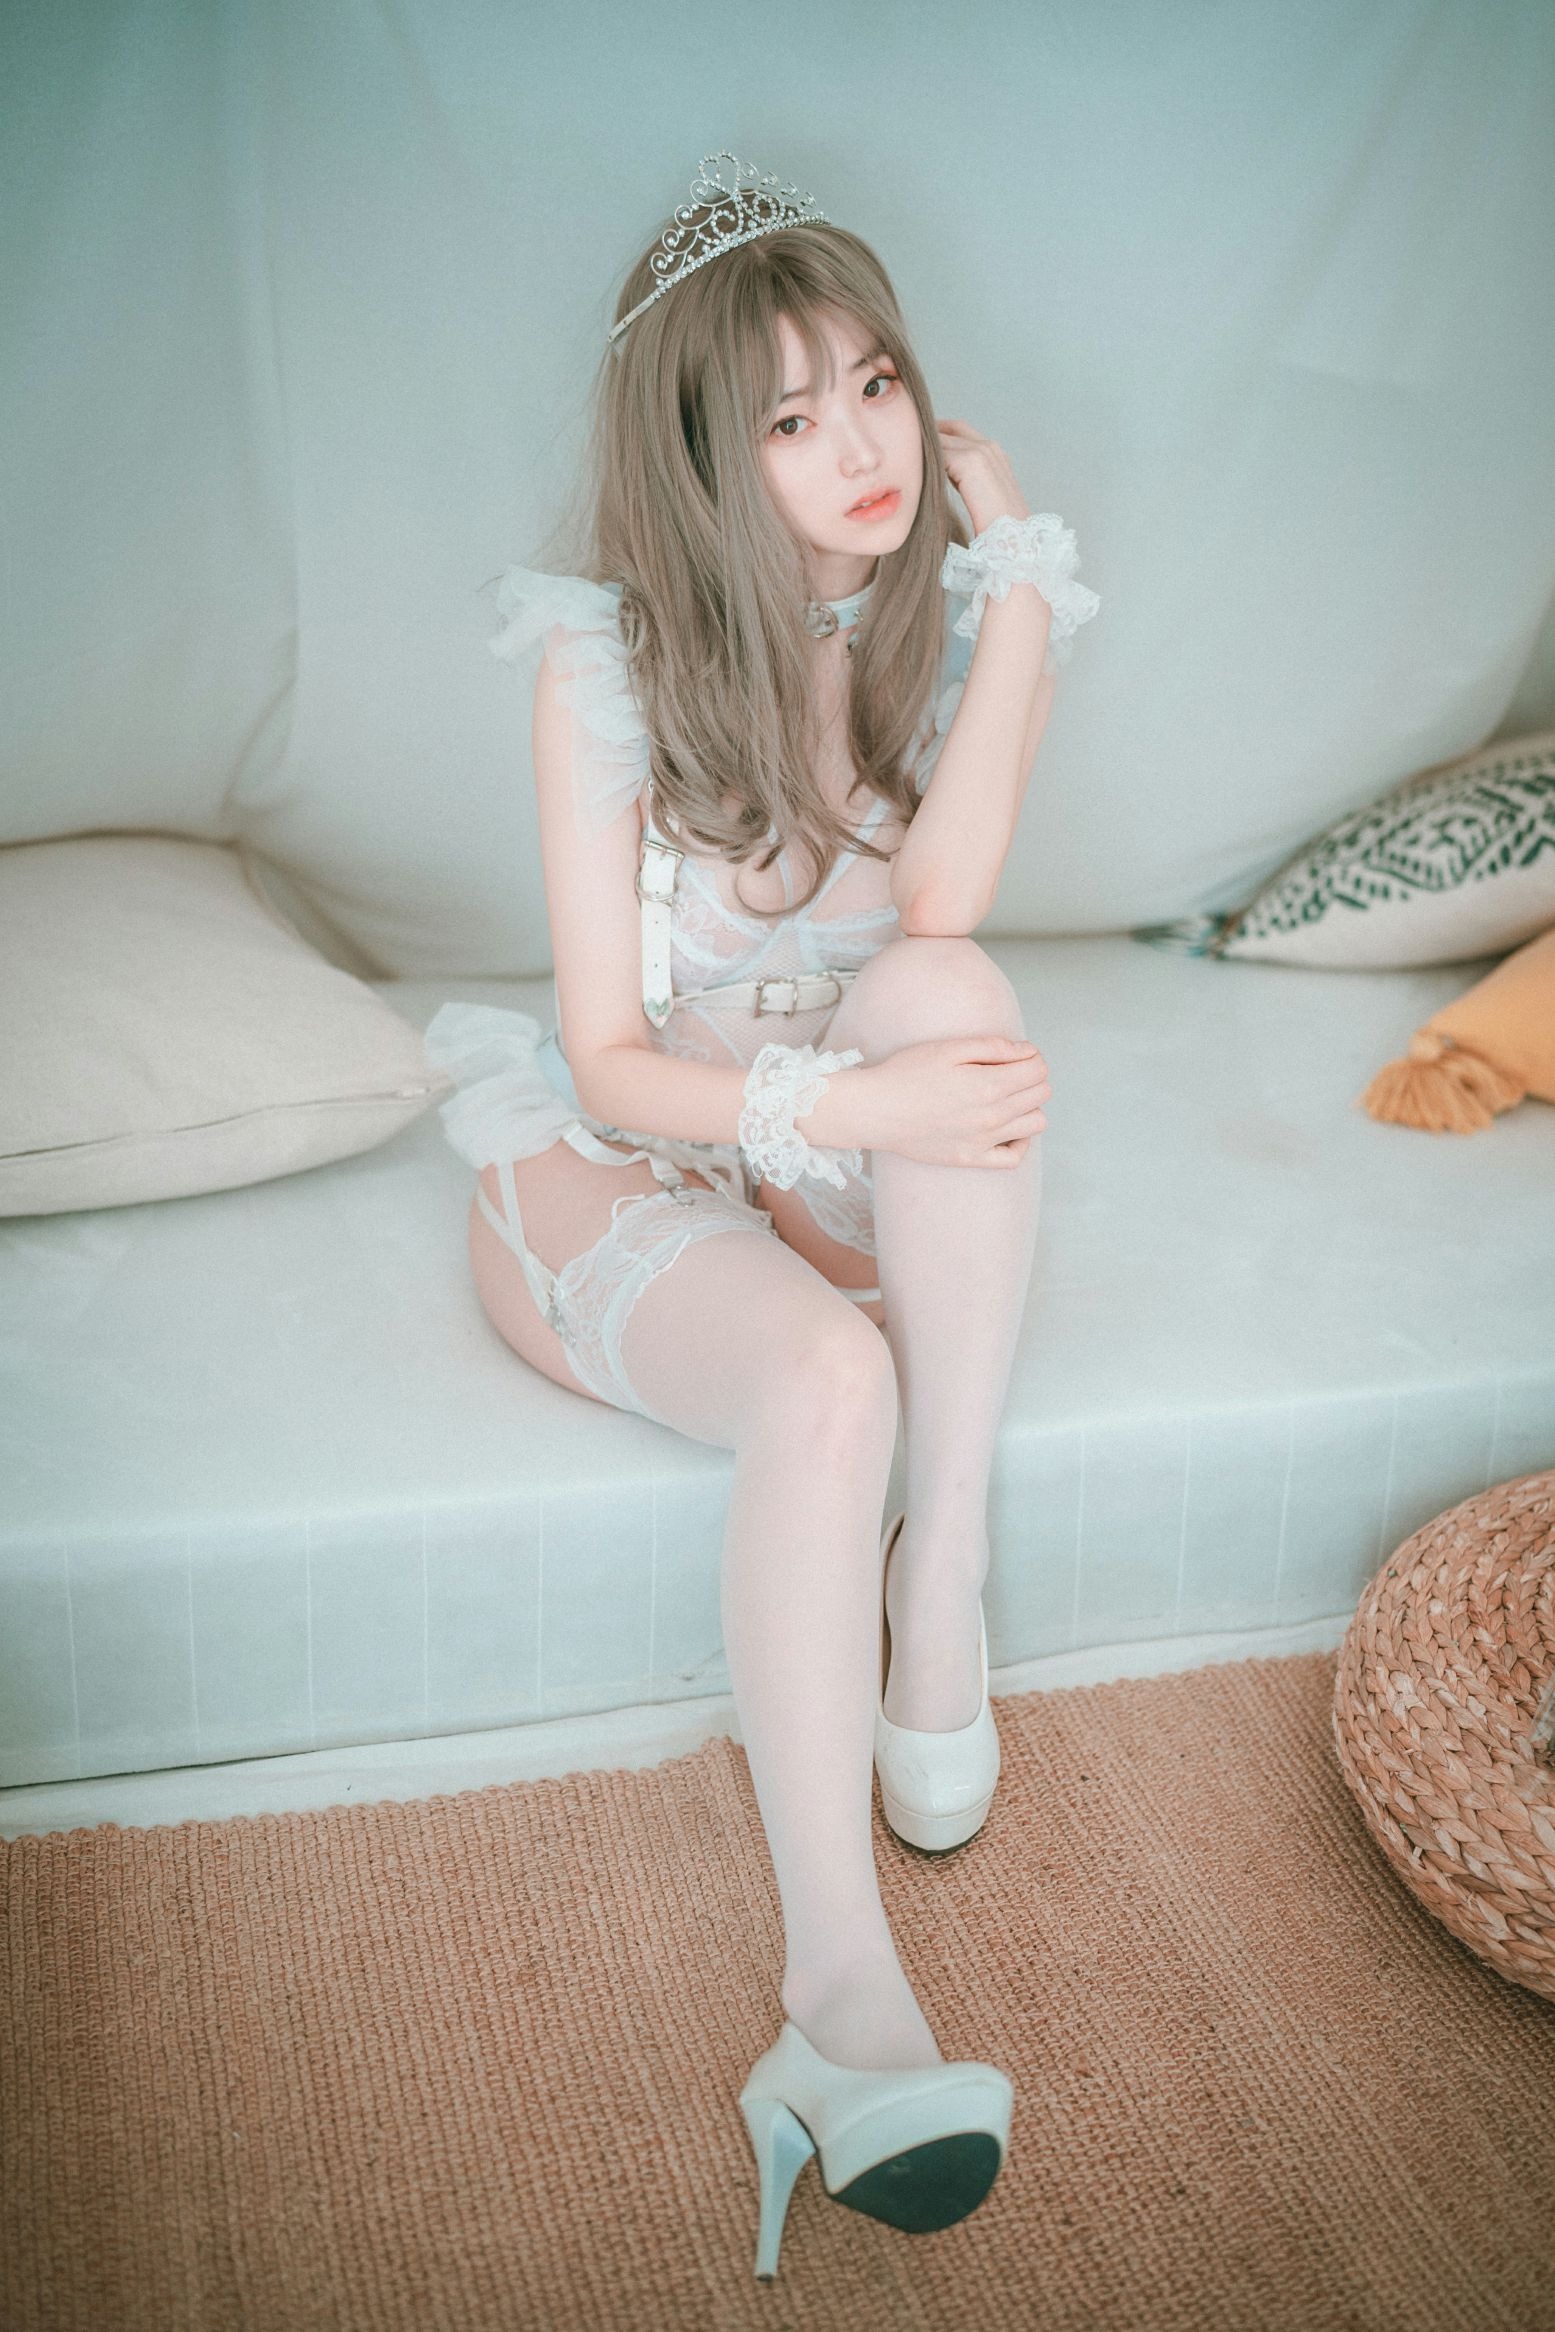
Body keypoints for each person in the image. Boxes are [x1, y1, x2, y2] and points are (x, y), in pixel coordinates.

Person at [423, 151, 1099, 2279]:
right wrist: (857, 1108)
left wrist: (1021, 593)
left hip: (804, 1160)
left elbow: (944, 902)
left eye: (877, 383)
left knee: (955, 988)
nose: (860, 445)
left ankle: (940, 1571)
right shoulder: (602, 662)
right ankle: (838, 1993)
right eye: (792, 417)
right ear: (708, 458)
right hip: (617, 1166)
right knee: (827, 1375)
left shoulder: (914, 615)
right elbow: (612, 1057)